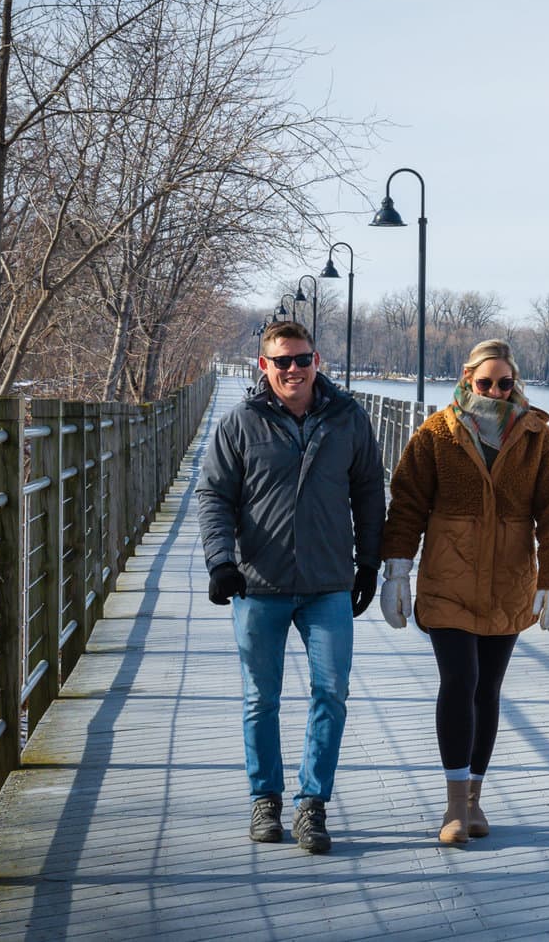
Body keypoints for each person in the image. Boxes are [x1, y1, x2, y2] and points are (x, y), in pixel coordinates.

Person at [195, 320, 386, 854]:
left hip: (328, 583)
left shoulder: (348, 418)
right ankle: (265, 798)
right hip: (260, 583)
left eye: (303, 359)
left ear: (317, 360)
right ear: (264, 366)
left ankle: (312, 804)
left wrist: (368, 564)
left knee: (331, 692)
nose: (294, 370)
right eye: (283, 361)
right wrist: (220, 563)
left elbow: (370, 491)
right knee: (262, 697)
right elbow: (213, 496)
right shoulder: (241, 423)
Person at [379, 337, 549, 845]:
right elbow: (406, 504)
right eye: (484, 381)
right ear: (467, 379)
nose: (493, 389)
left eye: (503, 382)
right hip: (448, 579)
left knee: (487, 689)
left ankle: (474, 798)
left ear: (516, 384)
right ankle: (452, 806)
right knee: (459, 680)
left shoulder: (537, 439)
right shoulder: (436, 434)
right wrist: (396, 572)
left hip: (509, 583)